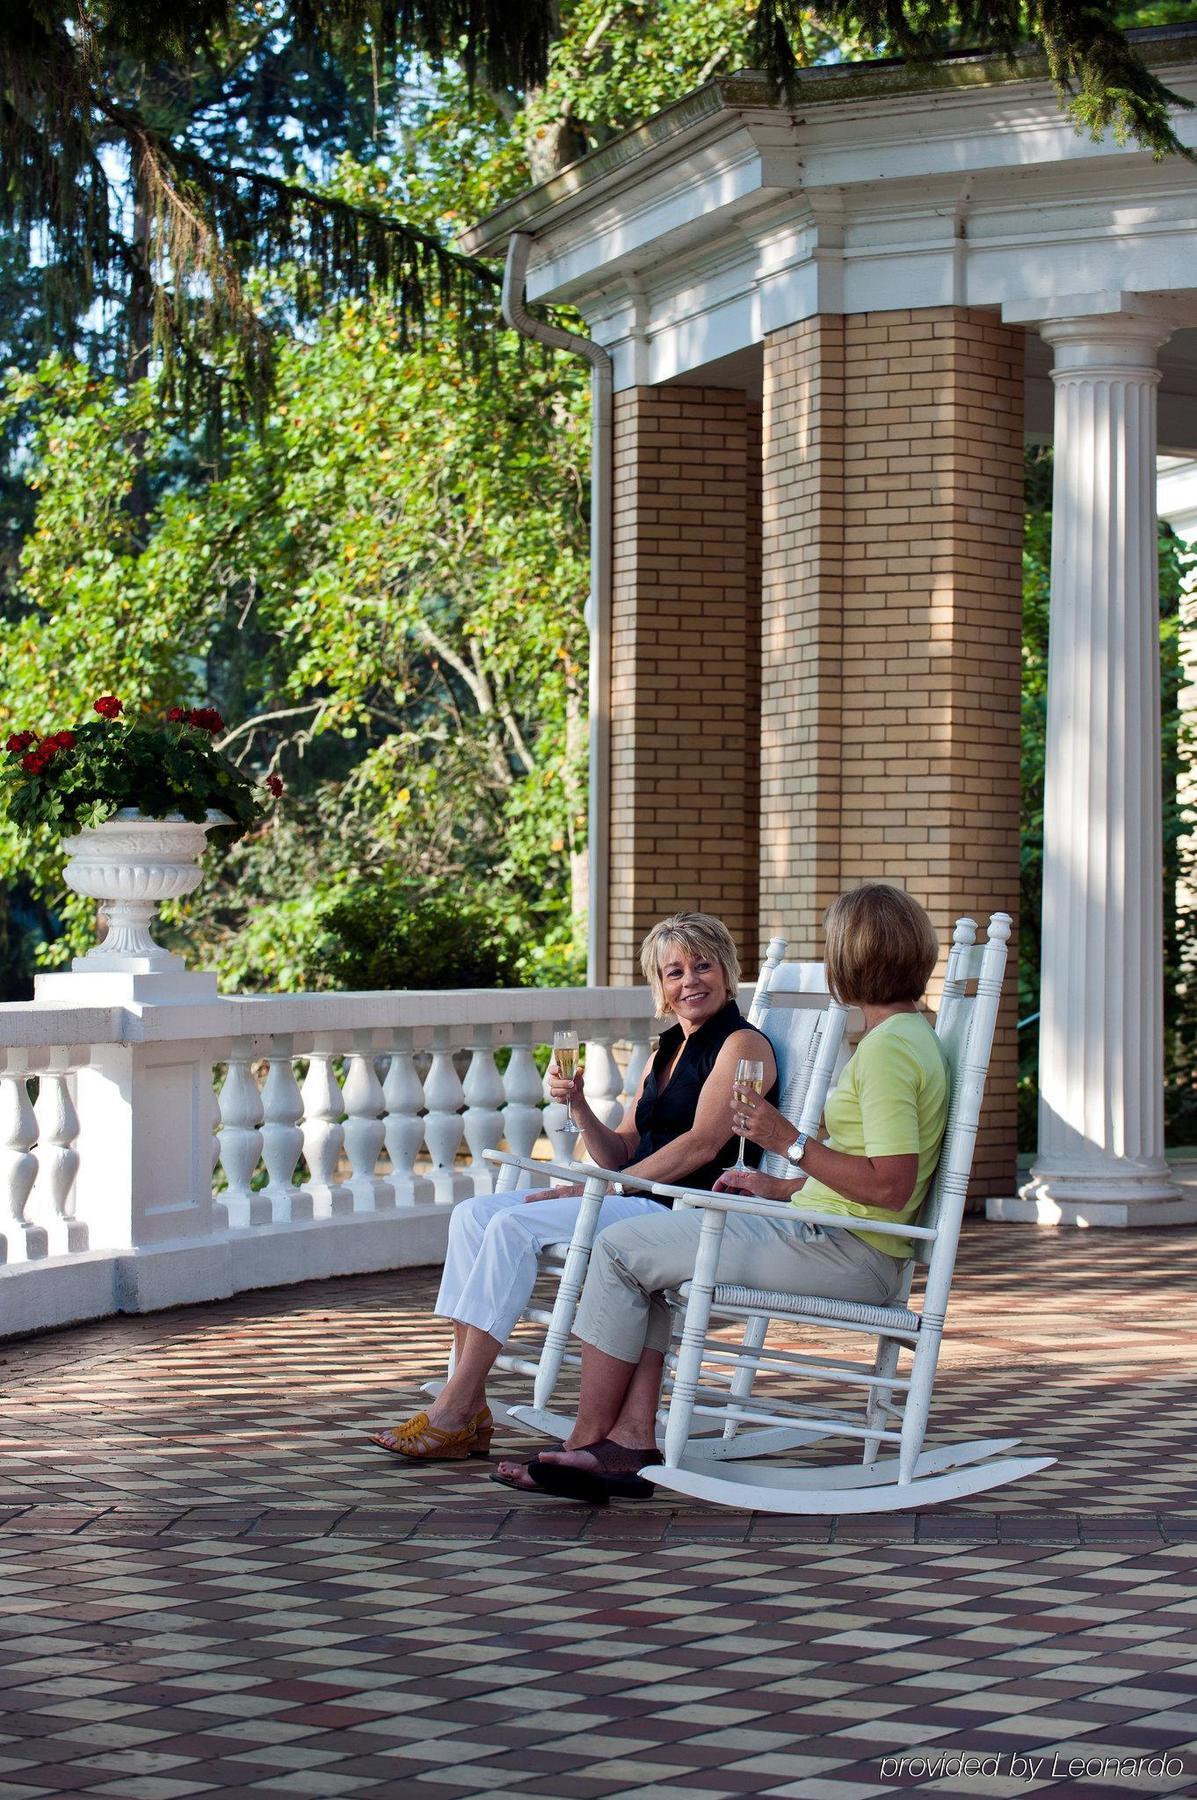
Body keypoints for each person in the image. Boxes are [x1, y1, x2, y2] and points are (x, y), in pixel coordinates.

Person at [493, 883, 950, 1502]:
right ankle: (627, 1440)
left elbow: (892, 1187)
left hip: (852, 1255)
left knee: (623, 1251)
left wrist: (785, 1140)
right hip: (830, 1232)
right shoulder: (899, 1039)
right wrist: (783, 1187)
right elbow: (868, 1177)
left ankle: (588, 1444)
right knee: (644, 1251)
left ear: (852, 959)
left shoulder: (890, 1050)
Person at [370, 912, 777, 1459]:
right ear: (660, 986)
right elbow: (626, 1147)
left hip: (674, 1209)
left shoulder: (741, 1045)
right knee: (472, 1215)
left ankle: (455, 1406)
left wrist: (603, 1189)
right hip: (631, 1192)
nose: (690, 982)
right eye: (674, 972)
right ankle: (469, 1406)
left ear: (726, 971)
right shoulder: (666, 1050)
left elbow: (701, 1145)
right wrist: (579, 1106)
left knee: (513, 1227)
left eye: (702, 966)